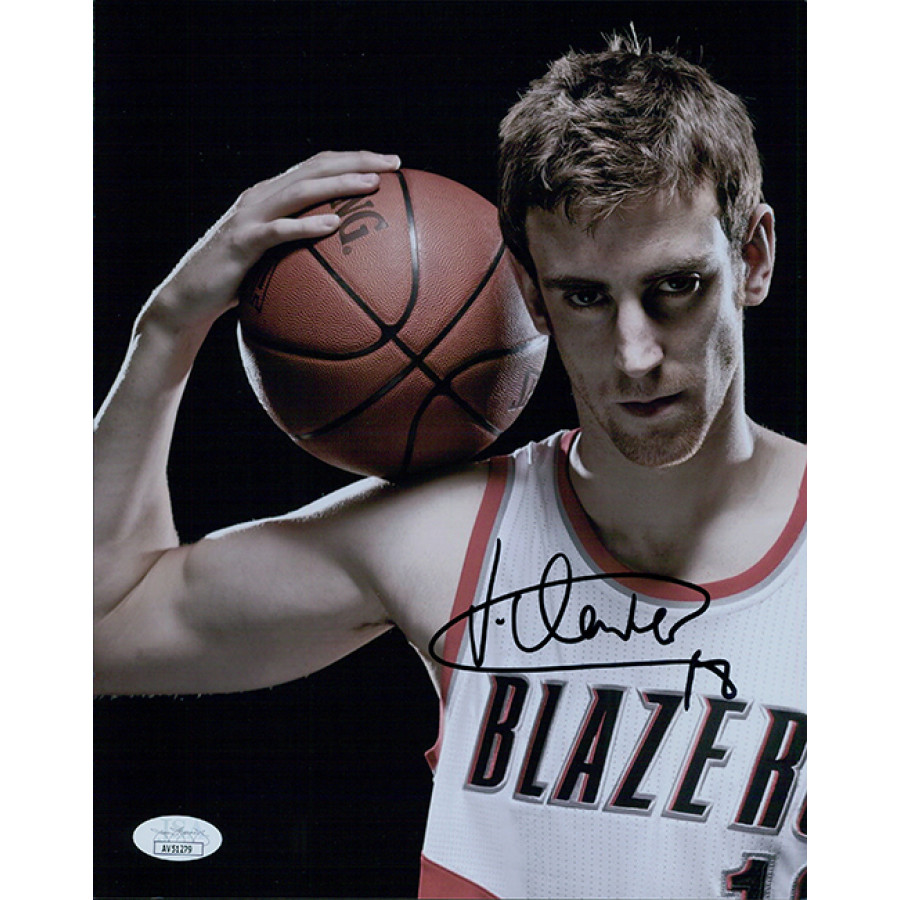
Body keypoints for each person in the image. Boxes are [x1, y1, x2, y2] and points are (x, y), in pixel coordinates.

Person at [94, 32, 806, 900]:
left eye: (676, 286)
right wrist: (168, 327)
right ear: (532, 295)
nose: (634, 354)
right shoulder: (453, 536)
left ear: (753, 259)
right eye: (585, 297)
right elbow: (96, 625)